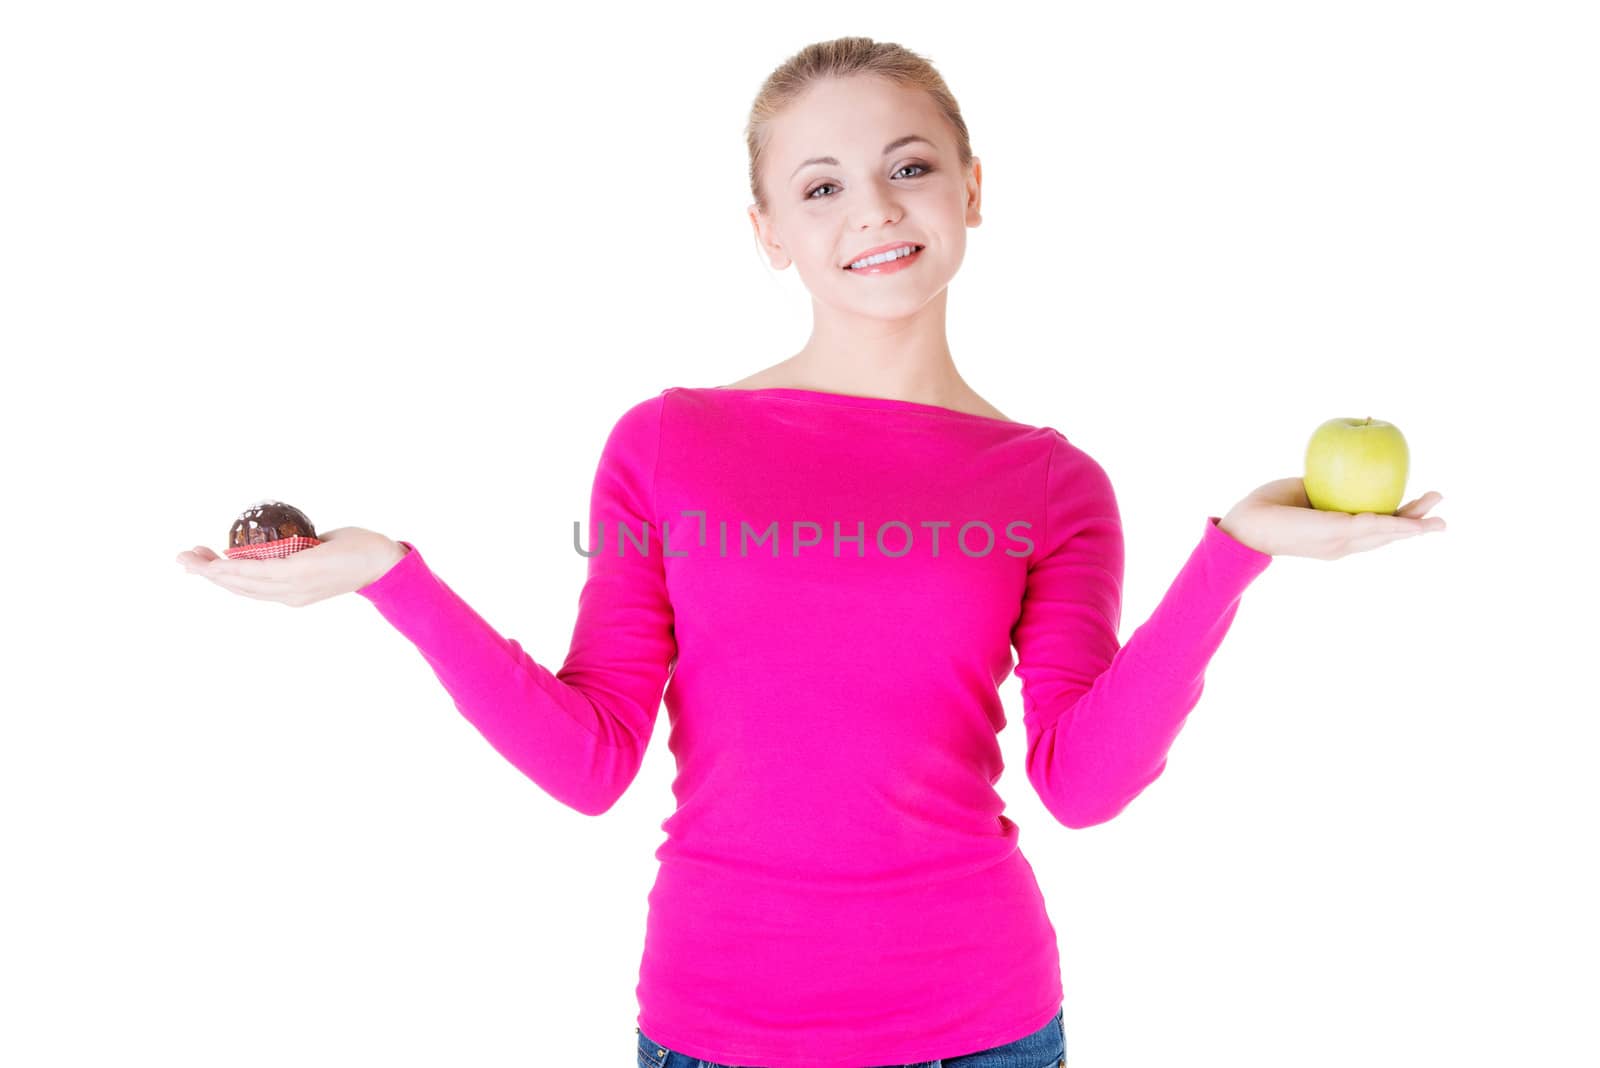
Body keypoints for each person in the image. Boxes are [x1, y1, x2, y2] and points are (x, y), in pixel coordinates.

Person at [175, 35, 1446, 1068]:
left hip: (983, 1026)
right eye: (821, 186)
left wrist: (1233, 555)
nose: (875, 210)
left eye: (909, 167)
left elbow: (1082, 784)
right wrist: (392, 579)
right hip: (714, 1029)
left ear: (971, 191)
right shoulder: (667, 445)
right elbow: (590, 759)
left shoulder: (1052, 484)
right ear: (767, 230)